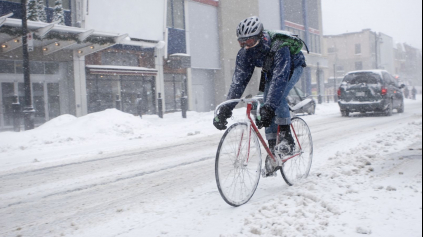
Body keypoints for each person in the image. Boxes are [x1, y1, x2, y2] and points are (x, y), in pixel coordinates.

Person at [213, 16, 307, 174]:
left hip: (292, 65)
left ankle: (286, 138)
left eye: (249, 42)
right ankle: (273, 152)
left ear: (260, 37)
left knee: (278, 96)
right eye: (241, 43)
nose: (246, 46)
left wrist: (270, 107)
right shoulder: (244, 54)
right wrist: (226, 109)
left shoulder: (279, 47)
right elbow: (238, 82)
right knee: (265, 103)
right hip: (271, 69)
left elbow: (280, 79)